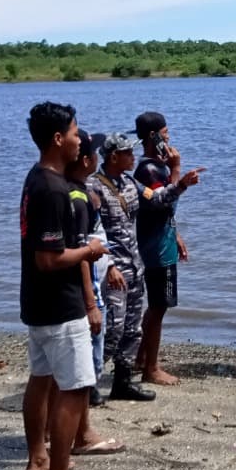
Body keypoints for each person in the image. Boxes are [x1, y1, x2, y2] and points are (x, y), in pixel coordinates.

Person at [18, 102, 110, 470]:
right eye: (75, 133)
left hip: (37, 303)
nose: (79, 140)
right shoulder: (54, 189)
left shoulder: (36, 179)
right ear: (58, 139)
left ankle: (38, 458)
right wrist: (88, 250)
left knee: (41, 379)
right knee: (75, 388)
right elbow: (49, 258)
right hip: (59, 304)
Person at [88, 132, 194, 400]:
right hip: (112, 269)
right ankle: (86, 384)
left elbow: (156, 199)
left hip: (135, 265)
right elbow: (90, 232)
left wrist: (180, 184)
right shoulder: (94, 188)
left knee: (132, 329)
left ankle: (122, 383)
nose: (133, 156)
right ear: (113, 157)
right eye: (127, 153)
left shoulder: (129, 181)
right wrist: (108, 265)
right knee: (112, 328)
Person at [62, 130, 126, 452]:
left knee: (81, 367)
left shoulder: (79, 192)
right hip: (81, 293)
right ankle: (80, 435)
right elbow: (82, 251)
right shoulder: (77, 196)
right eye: (95, 153)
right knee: (82, 368)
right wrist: (91, 303)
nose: (99, 157)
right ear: (86, 159)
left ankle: (76, 432)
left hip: (86, 286)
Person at [132, 111, 205, 386]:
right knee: (159, 305)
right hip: (154, 248)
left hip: (163, 241)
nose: (169, 138)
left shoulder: (156, 167)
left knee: (158, 305)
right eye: (165, 133)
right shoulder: (149, 169)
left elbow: (164, 213)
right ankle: (151, 367)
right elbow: (162, 202)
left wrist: (176, 235)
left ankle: (141, 358)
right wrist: (178, 173)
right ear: (153, 137)